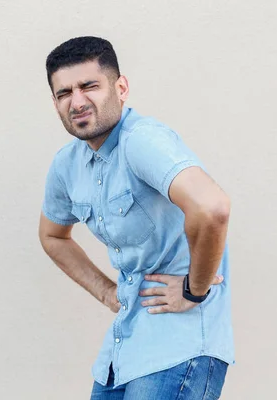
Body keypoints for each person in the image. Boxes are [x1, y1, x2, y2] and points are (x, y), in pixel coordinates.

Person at [38, 36, 235, 400]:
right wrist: (106, 291)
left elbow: (212, 208)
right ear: (55, 103)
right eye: (64, 93)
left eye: (89, 86)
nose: (77, 101)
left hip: (180, 348)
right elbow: (53, 236)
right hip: (122, 351)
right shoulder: (67, 165)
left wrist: (196, 289)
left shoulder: (142, 141)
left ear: (121, 87)